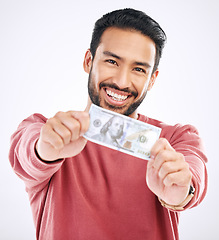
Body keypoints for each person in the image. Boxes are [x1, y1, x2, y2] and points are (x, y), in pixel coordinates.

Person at [9, 8, 208, 240]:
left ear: (152, 79)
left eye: (138, 69)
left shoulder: (176, 139)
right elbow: (25, 153)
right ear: (88, 61)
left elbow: (194, 174)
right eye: (112, 61)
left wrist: (180, 192)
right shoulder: (47, 132)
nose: (122, 81)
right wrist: (44, 151)